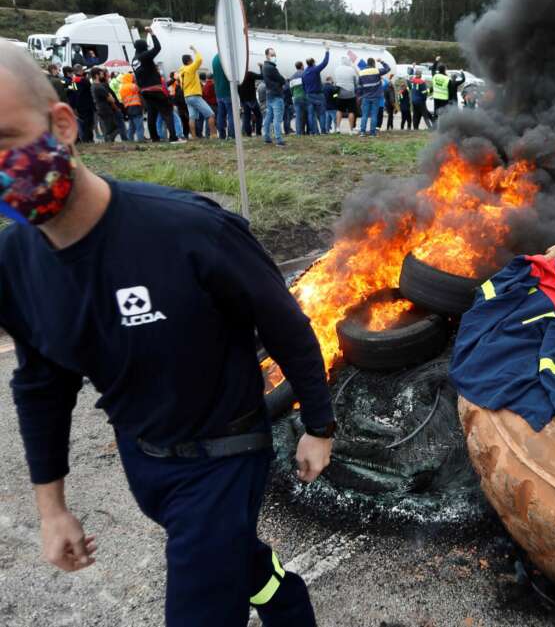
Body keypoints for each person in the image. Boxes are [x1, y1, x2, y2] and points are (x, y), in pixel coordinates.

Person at [0, 42, 334, 626]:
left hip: (224, 456)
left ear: (62, 124)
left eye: (5, 138)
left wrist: (318, 426)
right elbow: (41, 383)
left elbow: (285, 323)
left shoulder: (190, 230)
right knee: (236, 560)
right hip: (145, 461)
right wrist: (50, 508)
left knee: (201, 601)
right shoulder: (14, 263)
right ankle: (287, 604)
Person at [131, 27, 182, 143]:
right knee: (168, 111)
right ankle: (173, 137)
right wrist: (152, 33)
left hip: (144, 91)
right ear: (144, 48)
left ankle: (155, 138)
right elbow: (157, 48)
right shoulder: (144, 56)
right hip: (155, 89)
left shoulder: (134, 60)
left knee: (151, 114)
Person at [179, 47, 214, 139]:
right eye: (191, 59)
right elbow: (199, 60)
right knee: (210, 114)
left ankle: (194, 137)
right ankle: (214, 135)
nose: (193, 60)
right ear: (189, 61)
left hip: (187, 96)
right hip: (194, 95)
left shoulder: (181, 71)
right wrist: (195, 50)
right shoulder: (190, 68)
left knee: (192, 117)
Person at [355, 56, 390, 138]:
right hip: (376, 97)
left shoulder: (361, 72)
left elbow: (359, 86)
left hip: (365, 97)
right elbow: (388, 68)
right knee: (374, 115)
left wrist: (359, 96)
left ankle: (362, 132)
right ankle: (372, 133)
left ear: (367, 63)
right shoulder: (376, 71)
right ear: (373, 63)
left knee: (364, 115)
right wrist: (381, 61)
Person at [90, 68, 126, 143]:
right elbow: (111, 99)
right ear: (97, 75)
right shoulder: (99, 87)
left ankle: (109, 141)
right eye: (101, 73)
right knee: (113, 129)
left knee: (109, 129)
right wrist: (111, 98)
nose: (103, 75)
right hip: (106, 110)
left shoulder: (93, 86)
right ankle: (109, 142)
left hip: (101, 109)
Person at [302, 44, 331, 136]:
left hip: (308, 95)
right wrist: (327, 51)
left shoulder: (304, 73)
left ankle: (314, 132)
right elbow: (325, 62)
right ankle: (323, 131)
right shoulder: (315, 69)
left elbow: (303, 85)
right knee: (322, 113)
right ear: (313, 62)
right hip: (318, 95)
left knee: (311, 115)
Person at [260, 48, 286, 147]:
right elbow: (281, 79)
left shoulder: (264, 67)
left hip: (269, 94)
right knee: (277, 119)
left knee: (268, 117)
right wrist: (282, 80)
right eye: (272, 55)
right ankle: (279, 139)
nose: (274, 57)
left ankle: (266, 137)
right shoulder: (271, 68)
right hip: (276, 94)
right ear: (267, 55)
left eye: (275, 55)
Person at [212, 53, 235, 140]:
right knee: (231, 115)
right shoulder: (226, 58)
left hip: (218, 92)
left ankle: (222, 135)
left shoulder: (214, 59)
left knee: (220, 115)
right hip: (228, 91)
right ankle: (232, 135)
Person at [333, 56, 358, 134]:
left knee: (339, 110)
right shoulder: (351, 69)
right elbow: (356, 81)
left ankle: (337, 128)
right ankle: (351, 130)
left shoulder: (337, 69)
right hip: (350, 93)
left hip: (340, 92)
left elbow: (335, 81)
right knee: (351, 111)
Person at [118, 72, 145, 142]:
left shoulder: (122, 88)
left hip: (127, 108)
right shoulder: (133, 86)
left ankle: (130, 140)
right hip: (135, 106)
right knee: (139, 126)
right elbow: (140, 90)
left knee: (131, 126)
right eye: (132, 77)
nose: (133, 78)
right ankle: (141, 139)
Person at [72, 65, 95, 144]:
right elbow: (90, 89)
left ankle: (85, 139)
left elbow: (74, 92)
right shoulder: (84, 80)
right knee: (89, 123)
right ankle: (89, 139)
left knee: (83, 122)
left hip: (79, 104)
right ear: (80, 70)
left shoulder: (73, 81)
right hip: (87, 104)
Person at [239, 69, 263, 138]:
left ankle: (248, 134)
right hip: (252, 99)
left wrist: (241, 101)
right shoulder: (249, 74)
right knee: (258, 116)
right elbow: (261, 76)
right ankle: (258, 132)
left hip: (243, 100)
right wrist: (261, 67)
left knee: (247, 117)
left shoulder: (238, 76)